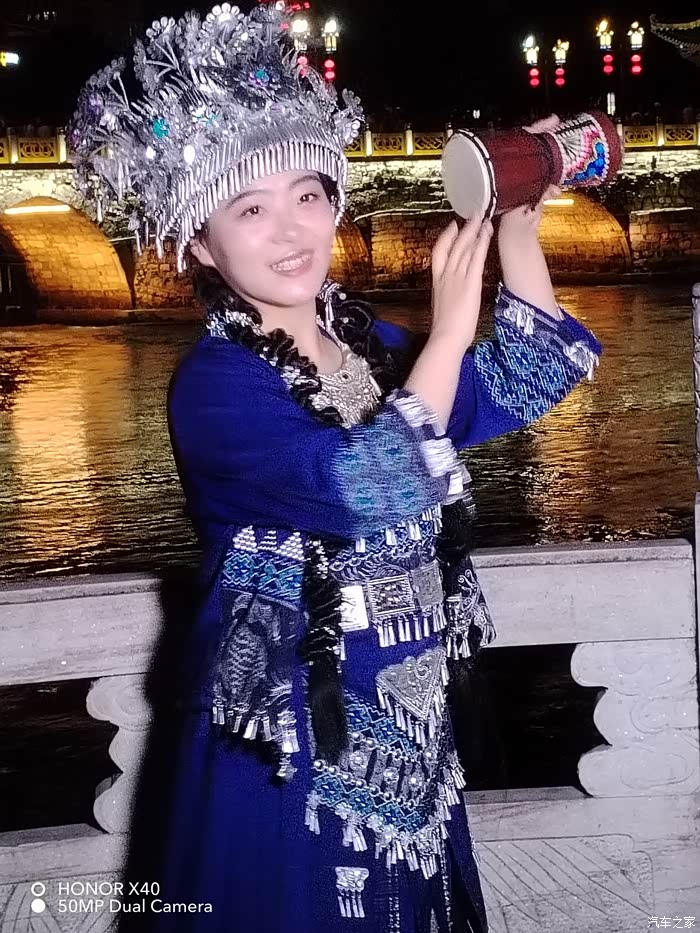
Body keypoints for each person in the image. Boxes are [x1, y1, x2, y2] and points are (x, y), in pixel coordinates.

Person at [69, 4, 601, 931]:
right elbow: (368, 485)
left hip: (408, 738)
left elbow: (528, 376)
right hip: (288, 750)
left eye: (308, 195)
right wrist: (449, 332)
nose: (291, 231)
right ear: (200, 243)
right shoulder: (217, 385)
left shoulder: (368, 348)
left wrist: (517, 225)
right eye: (251, 208)